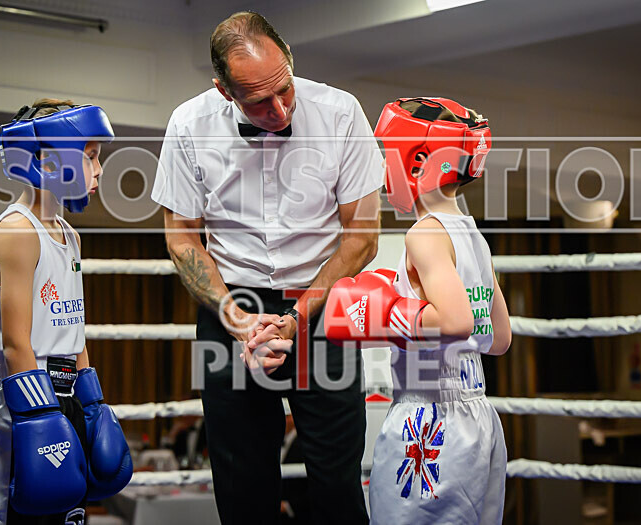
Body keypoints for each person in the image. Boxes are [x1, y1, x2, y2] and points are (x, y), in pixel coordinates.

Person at [152, 11, 383, 525]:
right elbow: (182, 235)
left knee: (337, 484)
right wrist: (239, 321)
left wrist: (297, 318)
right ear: (224, 91)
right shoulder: (189, 124)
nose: (279, 110)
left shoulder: (340, 113)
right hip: (230, 305)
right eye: (259, 100)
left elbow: (363, 236)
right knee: (241, 487)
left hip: (322, 306)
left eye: (285, 90)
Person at [324, 97, 511, 524]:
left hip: (428, 418)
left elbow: (456, 321)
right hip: (479, 416)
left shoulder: (424, 235)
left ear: (419, 159)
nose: (381, 172)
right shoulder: (472, 234)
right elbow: (499, 339)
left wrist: (386, 314)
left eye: (385, 156)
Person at [0, 99, 133, 525]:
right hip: (17, 401)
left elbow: (73, 328)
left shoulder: (69, 234)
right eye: (91, 156)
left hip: (65, 397)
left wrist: (92, 404)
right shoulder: (19, 231)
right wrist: (41, 417)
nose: (99, 171)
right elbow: (17, 341)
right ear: (50, 158)